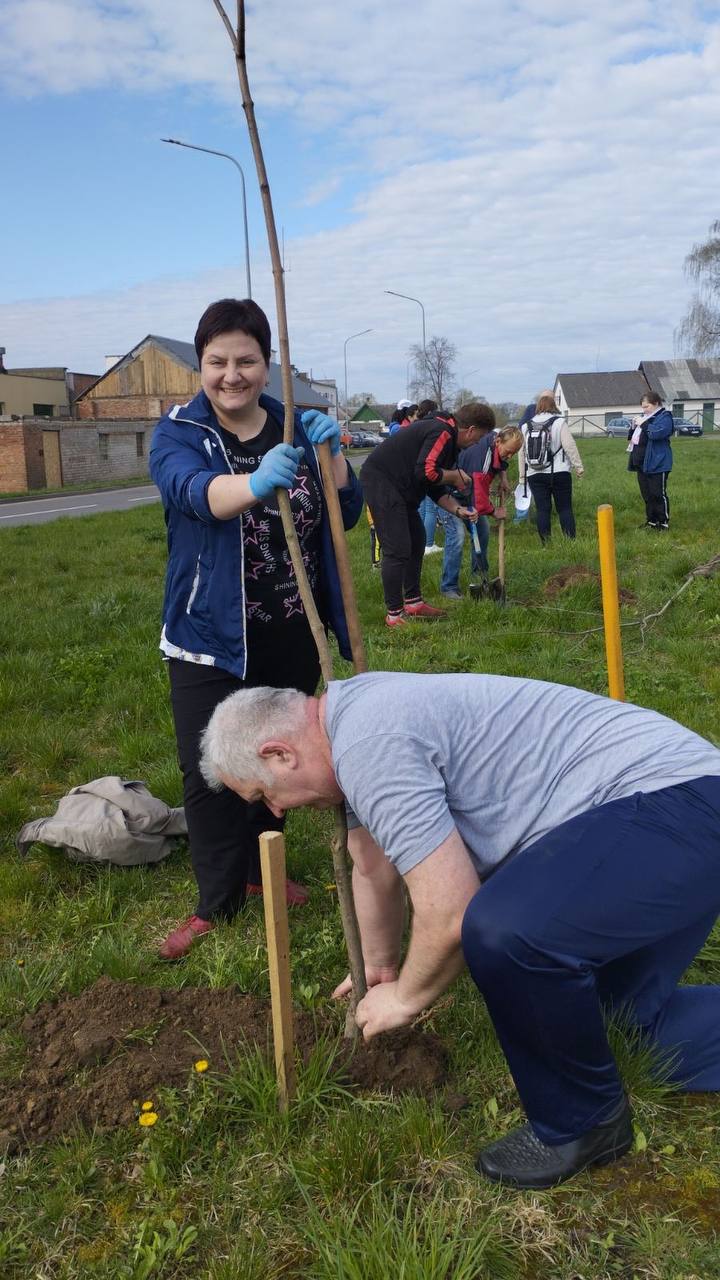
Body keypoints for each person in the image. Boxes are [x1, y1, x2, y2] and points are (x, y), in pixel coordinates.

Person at [199, 671, 720, 1189]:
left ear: (278, 754)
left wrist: (404, 997)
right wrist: (381, 968)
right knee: (611, 1021)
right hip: (670, 821)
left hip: (675, 808)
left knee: (507, 932)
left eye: (264, 795)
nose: (276, 809)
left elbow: (450, 915)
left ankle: (583, 1126)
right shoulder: (351, 722)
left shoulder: (370, 743)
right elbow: (373, 866)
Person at [148, 297, 363, 959]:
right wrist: (251, 483)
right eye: (217, 361)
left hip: (291, 628)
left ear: (267, 366)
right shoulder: (179, 431)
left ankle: (260, 871)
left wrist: (330, 459)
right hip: (209, 634)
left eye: (246, 360)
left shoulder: (291, 425)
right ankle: (216, 902)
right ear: (201, 364)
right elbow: (194, 494)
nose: (231, 374)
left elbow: (344, 514)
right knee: (211, 770)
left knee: (273, 763)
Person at [359, 409, 481, 627]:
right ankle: (394, 614)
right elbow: (426, 472)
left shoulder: (448, 439)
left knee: (417, 539)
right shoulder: (442, 431)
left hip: (401, 487)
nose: (475, 444)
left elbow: (433, 485)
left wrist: (458, 510)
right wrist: (454, 476)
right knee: (397, 548)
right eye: (478, 438)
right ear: (470, 431)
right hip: (382, 481)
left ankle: (413, 603)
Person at [438, 411, 522, 599]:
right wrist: (495, 512)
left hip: (467, 494)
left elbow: (500, 461)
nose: (510, 455)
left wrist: (504, 478)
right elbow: (480, 502)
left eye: (514, 453)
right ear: (498, 441)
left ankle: (480, 576)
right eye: (509, 451)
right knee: (457, 536)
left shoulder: (493, 440)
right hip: (447, 495)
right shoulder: (481, 461)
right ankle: (449, 587)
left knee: (482, 531)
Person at [519, 391, 584, 542]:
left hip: (534, 474)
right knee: (564, 508)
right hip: (559, 472)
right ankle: (570, 541)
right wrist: (578, 467)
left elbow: (521, 453)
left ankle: (545, 543)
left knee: (542, 509)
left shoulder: (525, 426)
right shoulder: (559, 422)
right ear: (553, 406)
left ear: (538, 406)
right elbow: (569, 446)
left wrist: (522, 477)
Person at [627, 390, 673, 529]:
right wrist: (633, 427)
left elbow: (656, 434)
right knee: (647, 494)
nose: (644, 410)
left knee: (657, 493)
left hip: (657, 462)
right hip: (641, 462)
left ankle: (663, 522)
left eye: (647, 406)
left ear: (656, 403)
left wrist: (644, 424)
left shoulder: (665, 417)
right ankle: (652, 520)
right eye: (642, 407)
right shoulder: (645, 417)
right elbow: (633, 438)